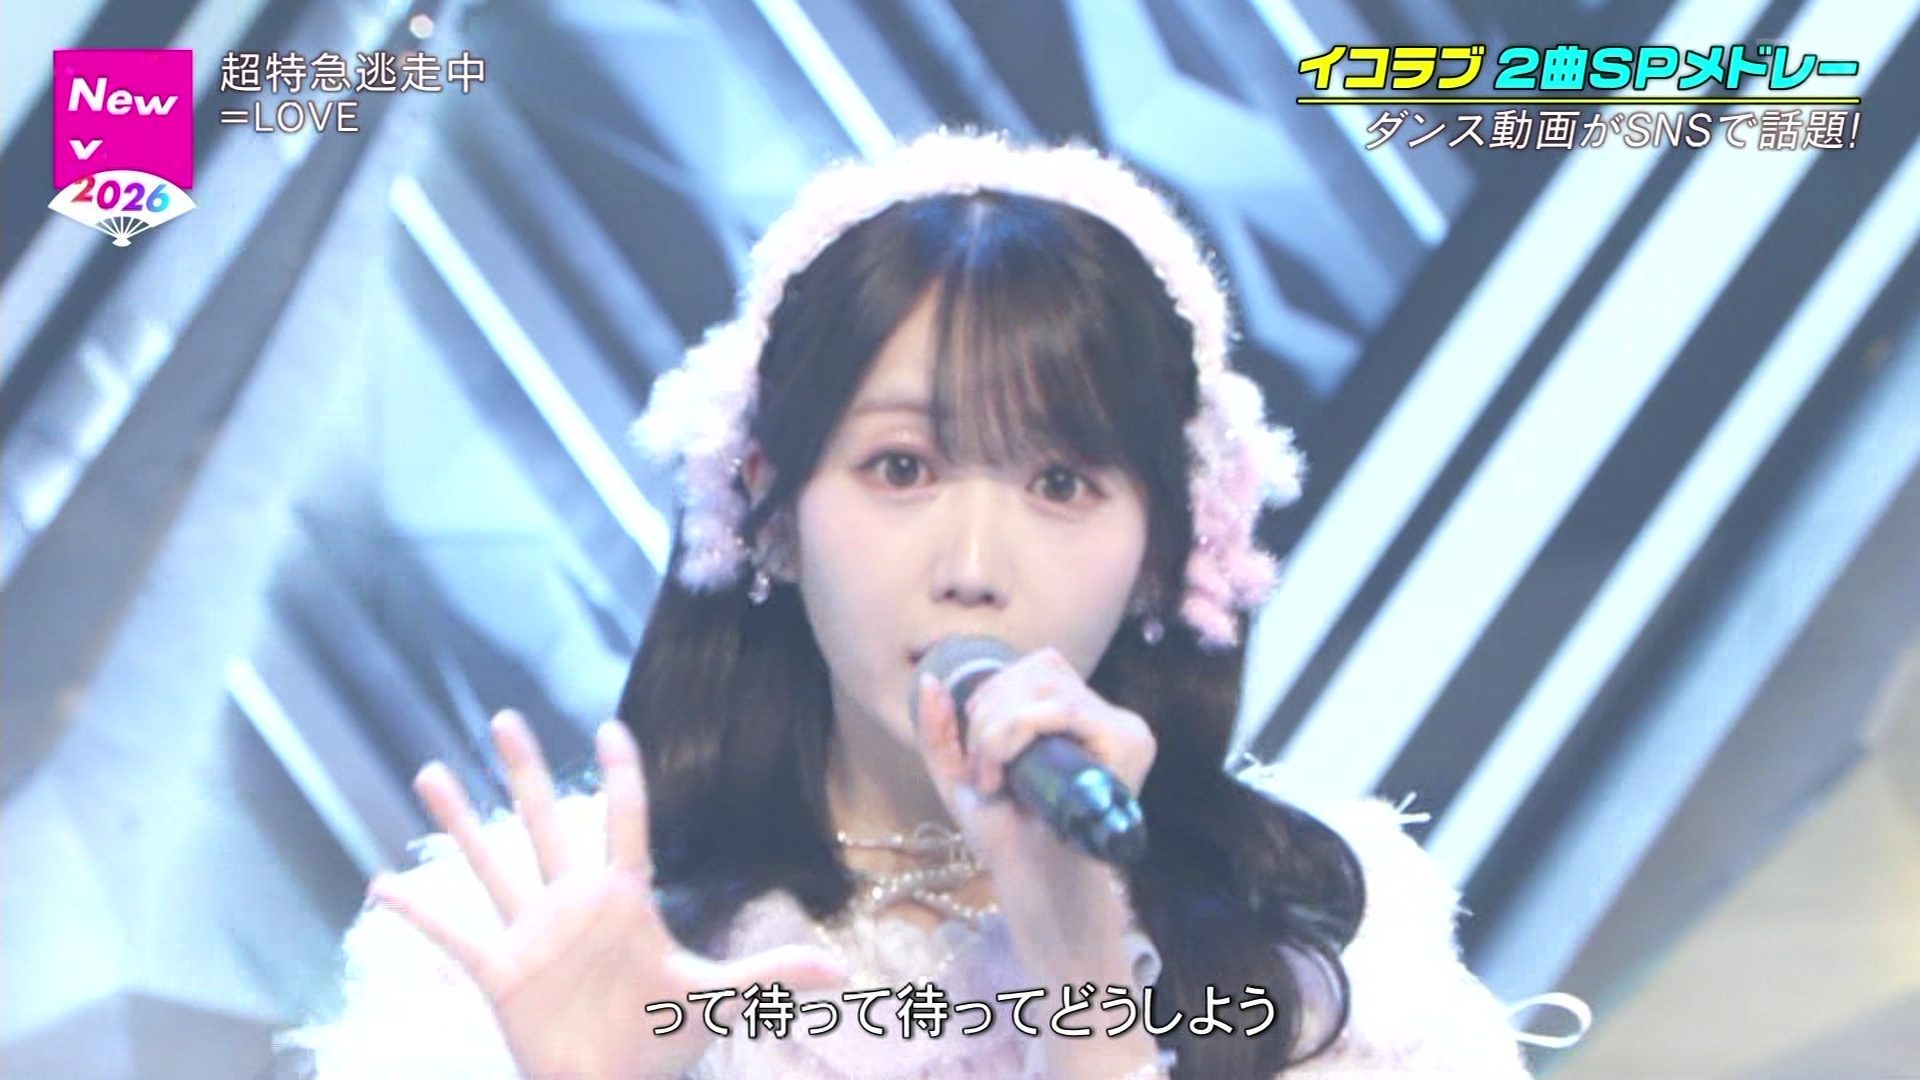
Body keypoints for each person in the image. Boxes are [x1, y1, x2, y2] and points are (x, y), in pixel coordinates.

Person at [281, 131, 1584, 1079]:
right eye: (902, 468)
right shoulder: (546, 922)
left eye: (1061, 481)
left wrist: (1086, 975)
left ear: (1162, 549)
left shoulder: (1319, 957)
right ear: (769, 506)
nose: (973, 562)